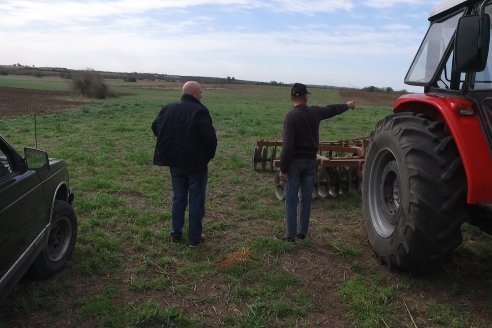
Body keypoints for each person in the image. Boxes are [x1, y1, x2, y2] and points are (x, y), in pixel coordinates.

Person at [276, 83, 356, 242]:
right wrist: (347, 105)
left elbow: (288, 147)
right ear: (305, 97)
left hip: (294, 164)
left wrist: (283, 170)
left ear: (292, 98)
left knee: (291, 199)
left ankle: (290, 235)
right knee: (305, 199)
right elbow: (332, 109)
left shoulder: (290, 117)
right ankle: (302, 232)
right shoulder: (315, 112)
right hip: (310, 162)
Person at [152, 81, 217, 247]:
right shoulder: (200, 111)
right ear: (194, 92)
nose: (202, 96)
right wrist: (206, 157)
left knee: (178, 198)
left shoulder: (168, 108)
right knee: (196, 200)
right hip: (196, 165)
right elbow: (210, 139)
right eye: (200, 92)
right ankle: (194, 239)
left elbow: (155, 127)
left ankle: (176, 233)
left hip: (175, 163)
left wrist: (169, 141)